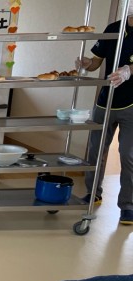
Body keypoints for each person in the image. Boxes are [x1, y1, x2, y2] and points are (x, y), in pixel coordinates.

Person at [76, 5, 133, 225]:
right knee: (96, 151)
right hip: (106, 101)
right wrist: (87, 64)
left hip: (131, 104)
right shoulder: (113, 29)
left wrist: (129, 70)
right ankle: (93, 193)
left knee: (128, 155)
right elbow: (96, 62)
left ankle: (127, 206)